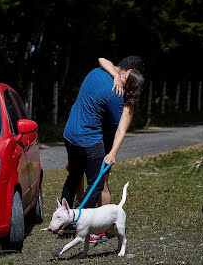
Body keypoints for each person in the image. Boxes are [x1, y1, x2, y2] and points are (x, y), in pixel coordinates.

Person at [61, 56, 145, 241]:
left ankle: (66, 222)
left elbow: (101, 59)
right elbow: (118, 128)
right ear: (128, 72)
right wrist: (112, 152)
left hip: (71, 133)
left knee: (74, 177)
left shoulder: (96, 72)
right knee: (99, 184)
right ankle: (91, 228)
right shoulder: (116, 93)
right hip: (92, 140)